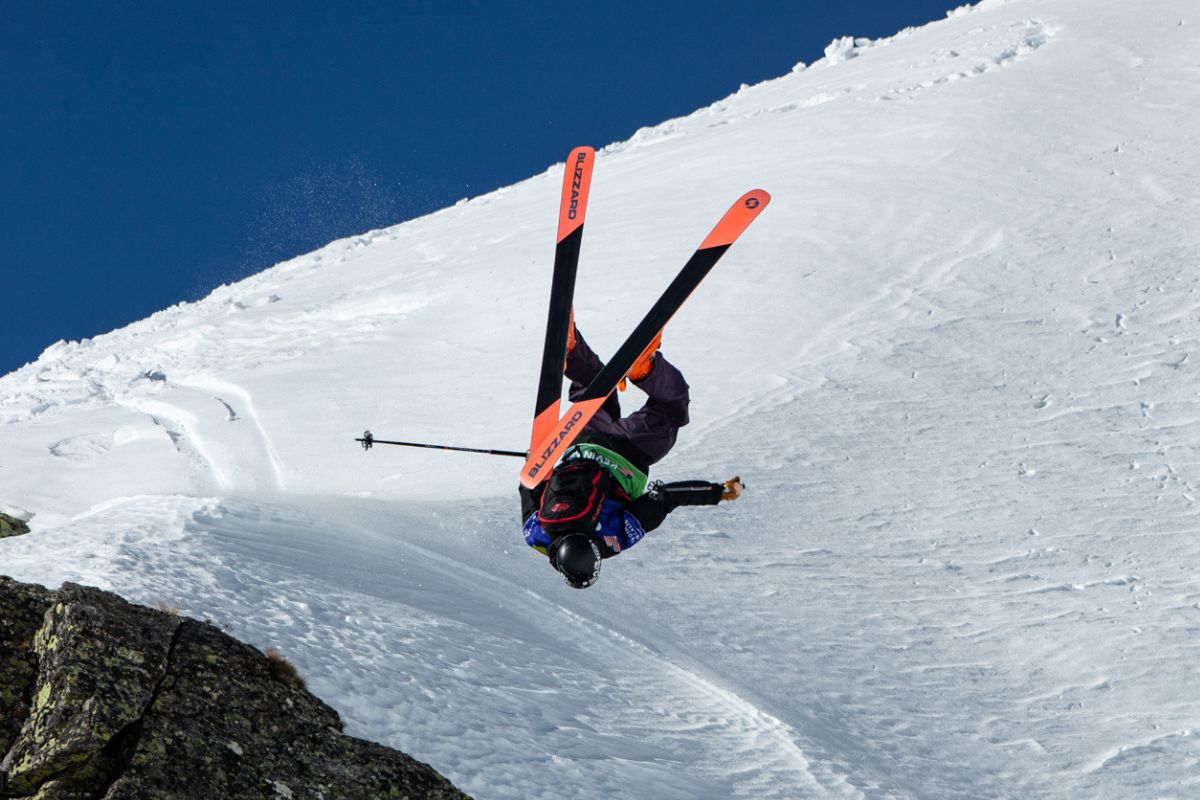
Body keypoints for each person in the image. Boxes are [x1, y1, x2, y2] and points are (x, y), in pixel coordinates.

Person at [519, 325, 744, 588]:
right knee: (592, 384)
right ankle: (570, 349)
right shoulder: (536, 536)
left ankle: (645, 368)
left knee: (672, 407)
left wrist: (717, 492)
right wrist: (535, 460)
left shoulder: (614, 538)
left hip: (632, 449)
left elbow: (665, 498)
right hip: (584, 440)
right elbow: (529, 484)